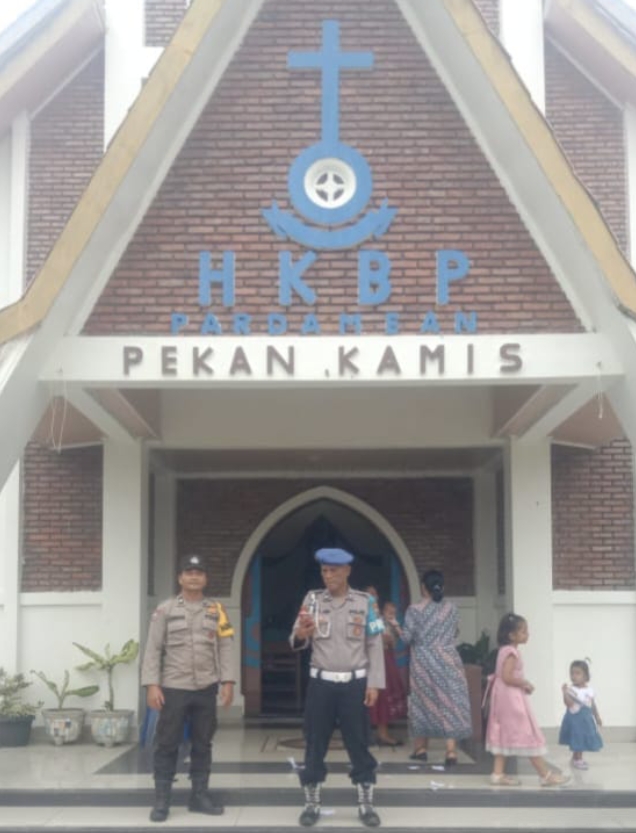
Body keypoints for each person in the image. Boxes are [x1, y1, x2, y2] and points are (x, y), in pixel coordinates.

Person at [290, 548, 386, 828]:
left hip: (354, 684)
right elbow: (296, 638)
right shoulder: (312, 600)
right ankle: (312, 802)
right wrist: (301, 634)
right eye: (324, 571)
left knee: (359, 743)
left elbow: (375, 644)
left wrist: (374, 683)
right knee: (314, 743)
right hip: (321, 683)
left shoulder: (366, 602)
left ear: (347, 571)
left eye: (333, 570)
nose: (328, 575)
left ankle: (366, 803)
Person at [141, 554, 235, 822]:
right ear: (180, 578)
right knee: (167, 743)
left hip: (206, 686)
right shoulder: (165, 610)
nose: (194, 577)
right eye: (189, 572)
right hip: (174, 687)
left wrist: (228, 682)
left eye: (199, 573)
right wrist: (152, 685)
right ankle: (162, 800)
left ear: (205, 578)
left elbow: (225, 646)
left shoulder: (217, 610)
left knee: (203, 743)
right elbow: (153, 649)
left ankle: (199, 796)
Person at [485, 612, 570, 787]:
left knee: (503, 732)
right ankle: (545, 775)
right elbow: (507, 677)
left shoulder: (504, 650)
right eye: (523, 631)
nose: (527, 634)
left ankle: (498, 774)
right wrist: (524, 683)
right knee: (526, 733)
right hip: (511, 699)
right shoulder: (511, 652)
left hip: (503, 697)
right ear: (512, 635)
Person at [400, 569, 471, 765]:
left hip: (424, 662)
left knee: (423, 704)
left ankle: (421, 749)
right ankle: (451, 751)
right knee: (450, 703)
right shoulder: (452, 609)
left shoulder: (415, 610)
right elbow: (455, 632)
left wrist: (396, 627)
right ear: (442, 587)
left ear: (423, 587)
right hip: (449, 660)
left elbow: (406, 638)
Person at [364, 588, 407, 747]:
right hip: (365, 662)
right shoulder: (359, 616)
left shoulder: (381, 618)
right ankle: (364, 735)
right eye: (369, 594)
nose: (373, 597)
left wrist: (389, 635)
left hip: (384, 660)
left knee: (383, 695)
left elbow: (389, 640)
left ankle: (383, 733)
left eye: (374, 594)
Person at [558, 659, 603, 769]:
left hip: (586, 719)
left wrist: (597, 716)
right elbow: (569, 704)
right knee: (578, 738)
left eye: (577, 673)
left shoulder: (590, 690)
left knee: (582, 738)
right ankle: (578, 759)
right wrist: (565, 693)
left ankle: (575, 758)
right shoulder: (571, 690)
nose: (574, 676)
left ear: (586, 676)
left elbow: (592, 704)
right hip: (575, 720)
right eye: (572, 673)